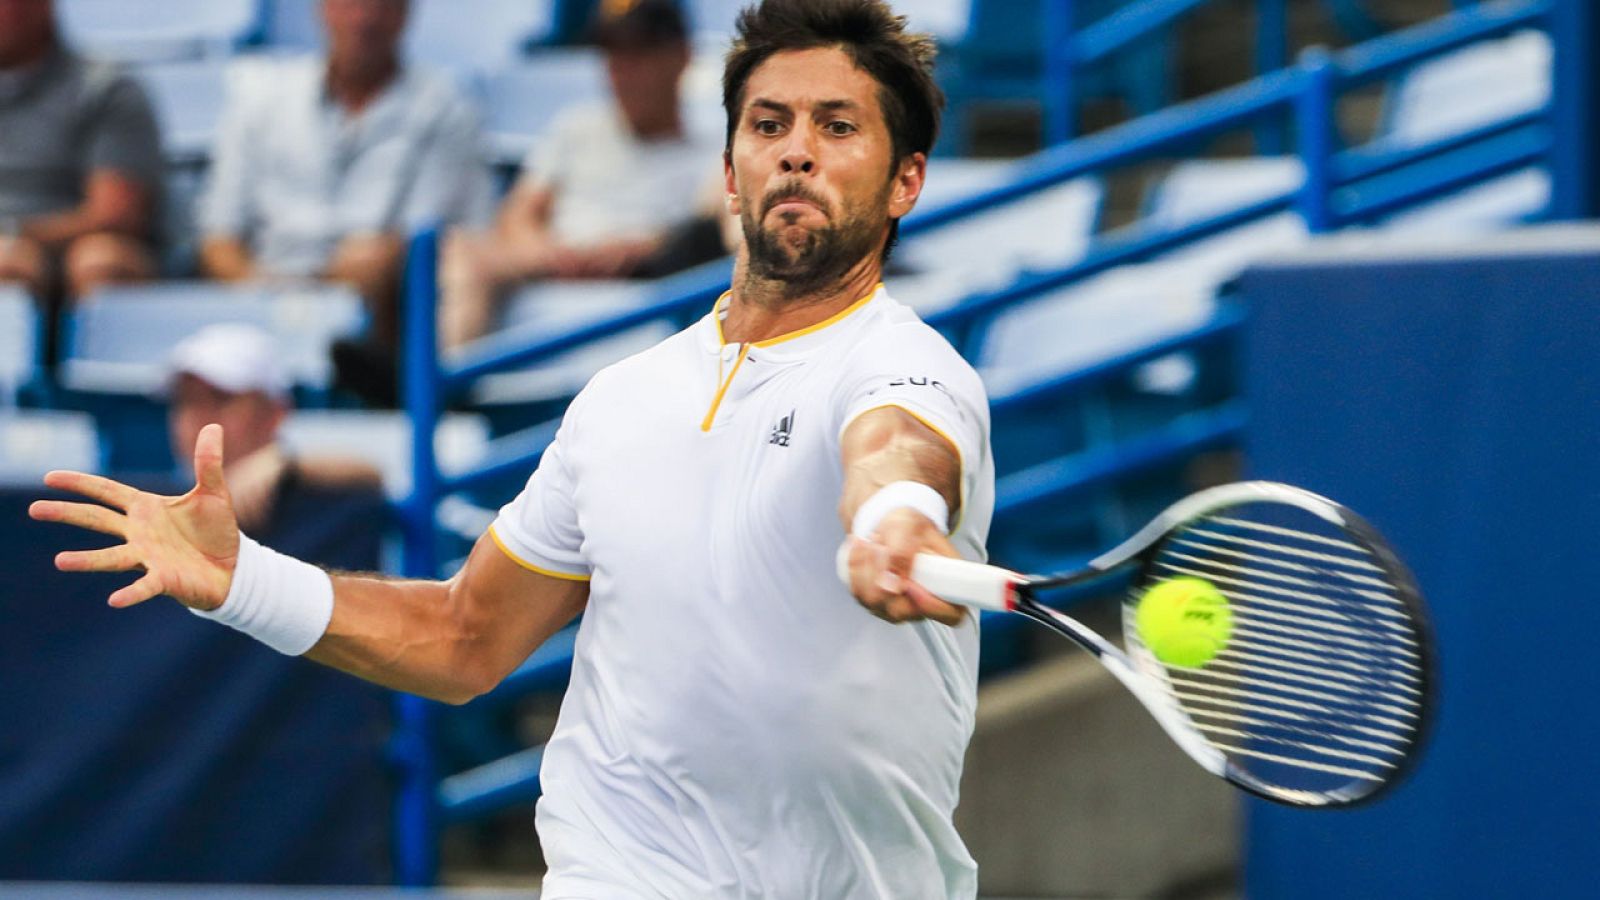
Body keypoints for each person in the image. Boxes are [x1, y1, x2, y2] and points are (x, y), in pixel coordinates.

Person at [32, 2, 993, 896]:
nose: (797, 151)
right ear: (732, 171)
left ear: (906, 180)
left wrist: (895, 516)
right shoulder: (620, 400)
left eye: (838, 126)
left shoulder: (909, 366)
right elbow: (466, 636)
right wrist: (243, 578)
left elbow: (896, 446)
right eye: (769, 124)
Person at [196, 0, 494, 385]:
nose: (364, 19)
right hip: (262, 294)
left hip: (382, 307)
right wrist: (263, 291)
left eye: (380, 6)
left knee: (385, 260)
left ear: (405, 13)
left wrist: (334, 281)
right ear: (322, 8)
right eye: (350, 3)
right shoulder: (261, 99)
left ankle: (392, 384)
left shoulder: (445, 107)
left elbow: (422, 235)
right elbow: (218, 238)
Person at [437, 0, 728, 351]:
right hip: (553, 268)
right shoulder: (576, 127)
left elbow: (707, 233)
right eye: (614, 55)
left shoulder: (718, 149)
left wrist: (641, 249)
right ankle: (445, 377)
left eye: (640, 53)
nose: (624, 71)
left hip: (654, 286)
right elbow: (519, 214)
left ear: (681, 56)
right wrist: (548, 254)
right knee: (456, 250)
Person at [0, 0, 162, 322]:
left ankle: (102, 352)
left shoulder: (106, 87)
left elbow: (113, 214)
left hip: (75, 246)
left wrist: (14, 232)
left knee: (98, 260)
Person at [164, 323, 384, 534]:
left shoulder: (331, 510)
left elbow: (375, 474)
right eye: (186, 400)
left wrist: (288, 464)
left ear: (275, 413)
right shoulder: (158, 511)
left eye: (221, 399)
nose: (198, 416)